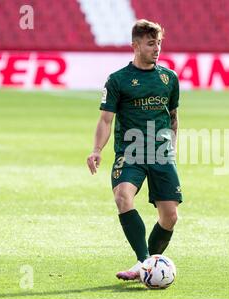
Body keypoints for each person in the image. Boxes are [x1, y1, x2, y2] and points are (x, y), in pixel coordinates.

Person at [86, 19, 182, 281]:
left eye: (159, 43)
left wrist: (171, 146)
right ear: (135, 45)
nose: (157, 48)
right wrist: (97, 149)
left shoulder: (169, 78)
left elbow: (173, 115)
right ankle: (145, 263)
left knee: (170, 216)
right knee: (122, 197)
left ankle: (143, 267)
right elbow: (106, 119)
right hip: (131, 153)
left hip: (161, 154)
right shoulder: (118, 80)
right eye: (151, 43)